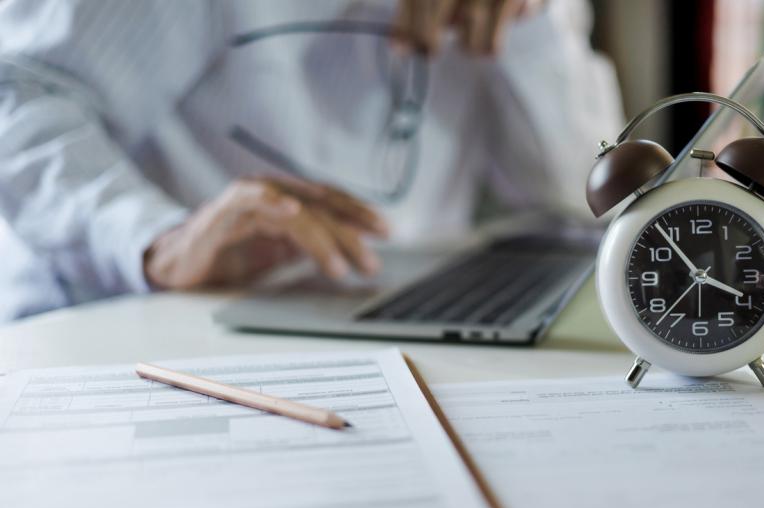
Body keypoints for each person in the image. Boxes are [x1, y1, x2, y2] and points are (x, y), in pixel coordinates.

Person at [0, 0, 623, 321]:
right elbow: (21, 93)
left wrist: (532, 25)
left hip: (403, 326)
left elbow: (589, 213)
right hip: (148, 325)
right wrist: (155, 240)